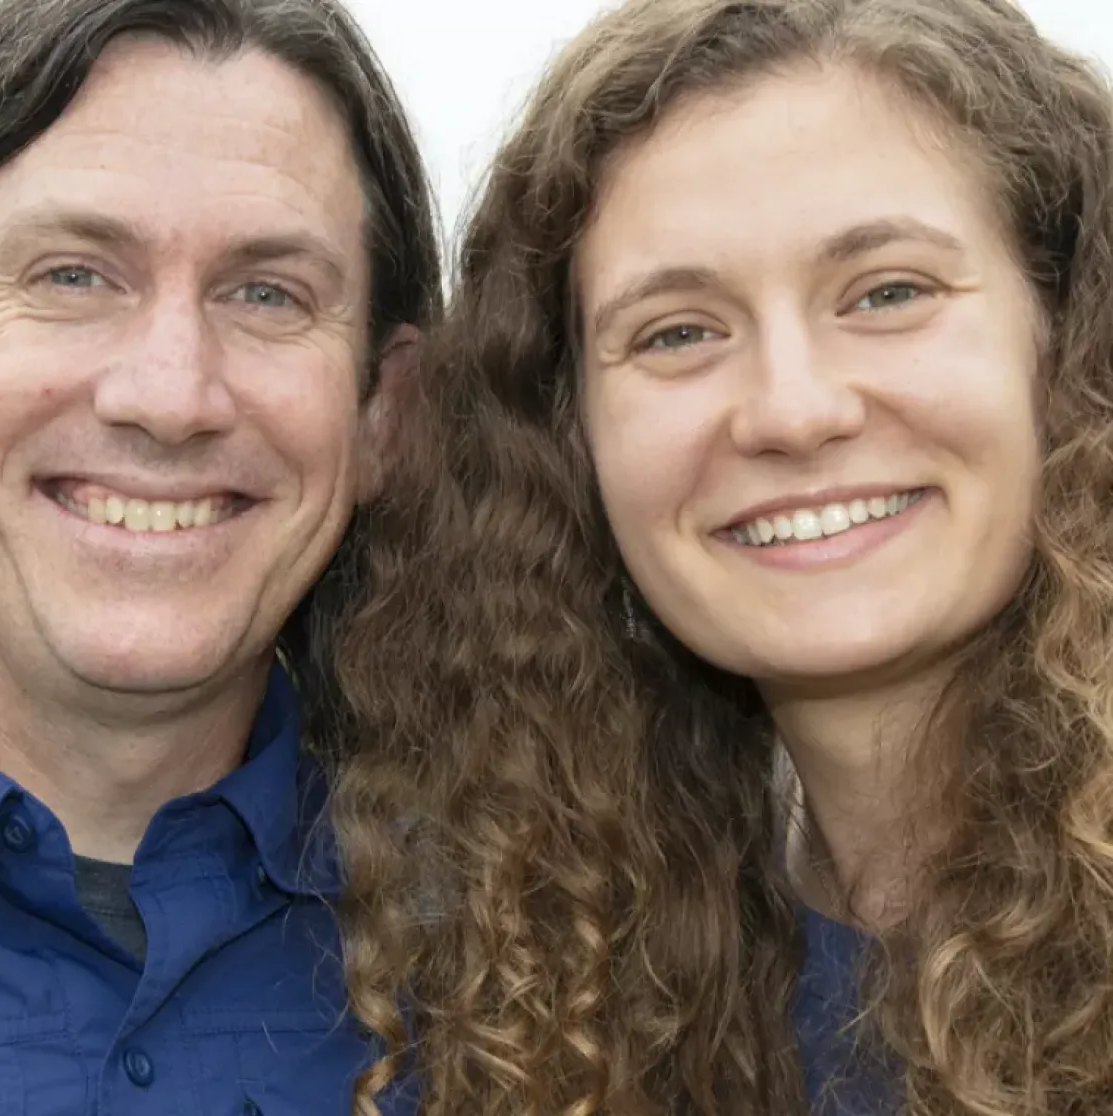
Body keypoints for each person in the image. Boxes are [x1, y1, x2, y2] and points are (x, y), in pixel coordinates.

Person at [329, 0, 1113, 1113]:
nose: (791, 411)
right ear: (567, 435)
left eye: (889, 292)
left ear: (1067, 335)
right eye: (679, 332)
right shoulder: (550, 990)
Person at [0, 0, 439, 1113]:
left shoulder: (542, 984)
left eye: (266, 293)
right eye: (72, 275)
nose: (169, 396)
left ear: (385, 415)